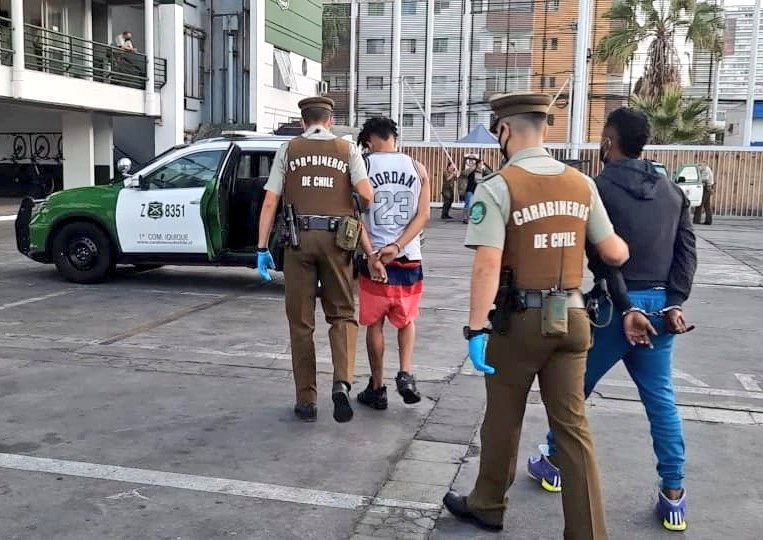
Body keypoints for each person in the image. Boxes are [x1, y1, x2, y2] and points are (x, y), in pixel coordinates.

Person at [442, 92, 629, 537]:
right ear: (544, 128)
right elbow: (615, 252)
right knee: (573, 428)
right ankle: (588, 532)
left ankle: (488, 504)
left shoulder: (499, 186)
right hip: (573, 318)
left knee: (503, 418)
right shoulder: (582, 184)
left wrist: (475, 328)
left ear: (505, 130)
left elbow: (487, 264)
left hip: (520, 321)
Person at [527, 107, 697, 532]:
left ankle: (554, 463)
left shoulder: (596, 188)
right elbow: (687, 254)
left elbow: (603, 258)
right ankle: (673, 495)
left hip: (614, 309)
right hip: (659, 308)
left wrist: (626, 306)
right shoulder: (672, 192)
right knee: (661, 400)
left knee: (573, 390)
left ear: (608, 141)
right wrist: (674, 302)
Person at [256, 97, 373, 423]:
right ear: (330, 120)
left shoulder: (288, 149)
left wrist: (262, 247)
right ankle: (342, 382)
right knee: (342, 314)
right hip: (337, 242)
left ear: (302, 121)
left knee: (301, 322)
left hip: (298, 242)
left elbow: (270, 202)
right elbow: (367, 195)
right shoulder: (347, 149)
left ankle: (306, 400)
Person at [353, 117, 431, 410]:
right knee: (406, 319)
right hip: (408, 257)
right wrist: (398, 246)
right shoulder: (417, 168)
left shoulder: (363, 167)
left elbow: (354, 217)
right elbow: (423, 215)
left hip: (375, 258)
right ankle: (406, 374)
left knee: (374, 323)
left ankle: (377, 387)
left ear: (370, 140)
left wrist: (373, 254)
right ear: (394, 137)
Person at [458, 154, 491, 223]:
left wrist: (485, 168)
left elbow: (490, 174)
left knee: (476, 205)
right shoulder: (471, 170)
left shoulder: (482, 171)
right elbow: (463, 173)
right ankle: (465, 218)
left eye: (482, 164)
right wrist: (473, 168)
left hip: (477, 190)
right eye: (480, 164)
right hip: (469, 190)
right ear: (477, 164)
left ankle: (474, 217)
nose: (481, 165)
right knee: (468, 204)